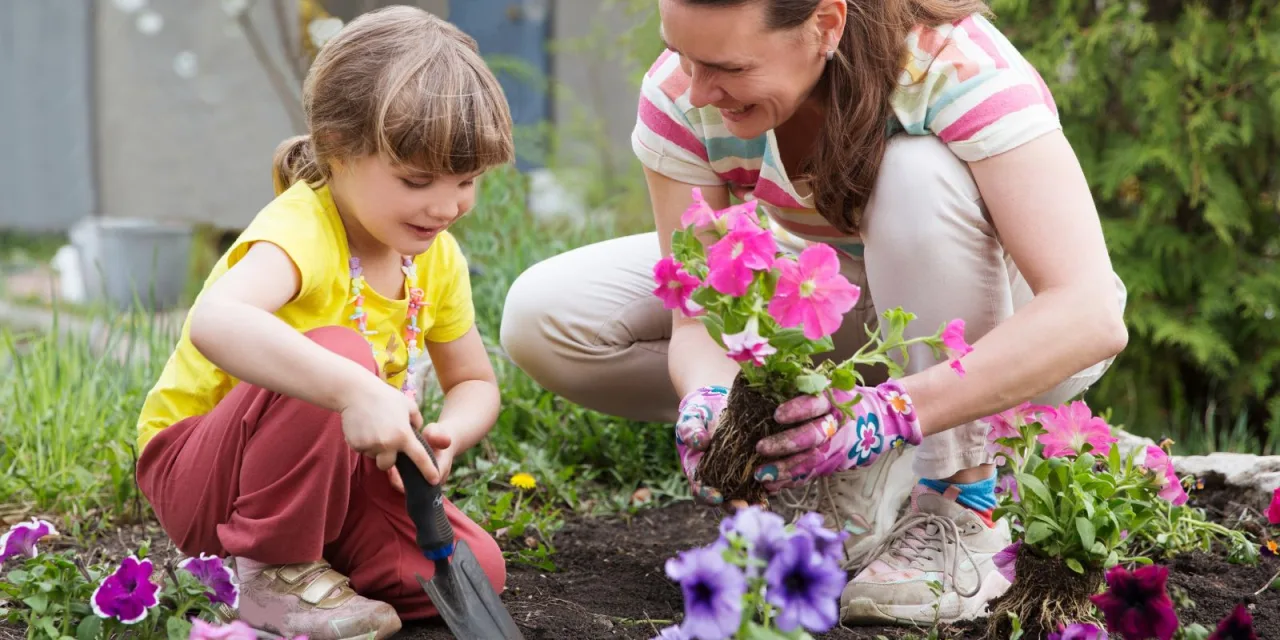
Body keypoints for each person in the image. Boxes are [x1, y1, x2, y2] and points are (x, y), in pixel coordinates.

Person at [500, 0, 1129, 627]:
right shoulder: (684, 91)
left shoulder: (953, 65)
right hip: (832, 298)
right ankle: (836, 464)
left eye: (724, 66)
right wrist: (711, 396)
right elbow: (696, 316)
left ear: (826, 25)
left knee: (913, 169)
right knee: (548, 317)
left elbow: (1090, 311)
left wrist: (897, 411)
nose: (694, 91)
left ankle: (960, 501)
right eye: (683, 56)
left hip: (993, 329)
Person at [133, 7, 514, 639]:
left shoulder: (435, 255)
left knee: (476, 569)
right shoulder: (301, 229)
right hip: (203, 475)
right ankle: (267, 572)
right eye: (417, 180)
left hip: (335, 478)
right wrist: (356, 389)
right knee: (339, 354)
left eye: (467, 181)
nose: (446, 206)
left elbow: (474, 380)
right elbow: (216, 321)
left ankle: (305, 571)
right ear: (338, 151)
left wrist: (449, 433)